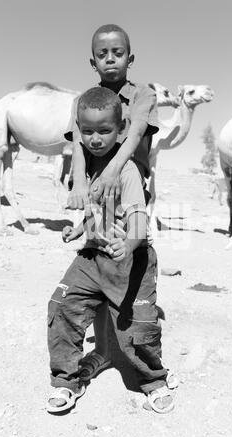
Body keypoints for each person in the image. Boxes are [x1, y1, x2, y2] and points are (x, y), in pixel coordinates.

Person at [47, 87, 174, 414]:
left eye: (104, 131)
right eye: (87, 132)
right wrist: (77, 229)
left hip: (132, 260)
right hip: (94, 255)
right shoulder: (89, 167)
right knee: (61, 305)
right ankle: (66, 380)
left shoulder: (127, 170)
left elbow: (137, 221)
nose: (95, 139)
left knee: (138, 327)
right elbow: (98, 210)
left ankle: (153, 379)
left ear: (120, 131)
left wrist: (127, 243)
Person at [64, 24, 160, 381]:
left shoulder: (144, 95)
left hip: (129, 186)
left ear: (129, 58)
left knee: (129, 263)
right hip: (97, 197)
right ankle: (104, 350)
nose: (110, 59)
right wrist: (79, 182)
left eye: (117, 53)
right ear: (93, 61)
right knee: (100, 267)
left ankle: (143, 354)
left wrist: (110, 174)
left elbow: (134, 135)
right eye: (102, 54)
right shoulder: (87, 100)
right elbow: (77, 142)